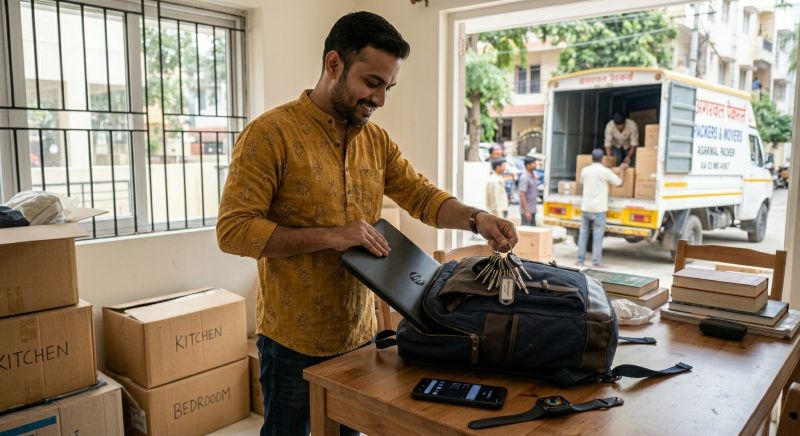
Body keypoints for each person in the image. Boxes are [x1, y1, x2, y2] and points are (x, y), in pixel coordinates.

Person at [215, 11, 517, 436]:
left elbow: (422, 196)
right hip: (292, 343)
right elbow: (233, 231)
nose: (379, 100)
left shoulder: (376, 141)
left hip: (361, 335)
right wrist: (332, 237)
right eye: (372, 83)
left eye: (388, 87)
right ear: (333, 64)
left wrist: (477, 218)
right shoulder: (270, 135)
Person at [576, 149, 627, 268]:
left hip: (586, 207)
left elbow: (581, 182)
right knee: (597, 236)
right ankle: (596, 262)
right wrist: (622, 170)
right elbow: (620, 183)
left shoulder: (585, 170)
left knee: (583, 234)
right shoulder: (605, 172)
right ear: (603, 158)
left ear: (591, 158)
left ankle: (580, 260)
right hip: (599, 209)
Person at [517, 156, 539, 226]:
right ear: (528, 165)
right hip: (527, 210)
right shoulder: (524, 177)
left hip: (532, 209)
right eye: (534, 163)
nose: (536, 165)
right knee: (527, 232)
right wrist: (526, 211)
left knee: (533, 232)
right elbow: (522, 194)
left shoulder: (533, 175)